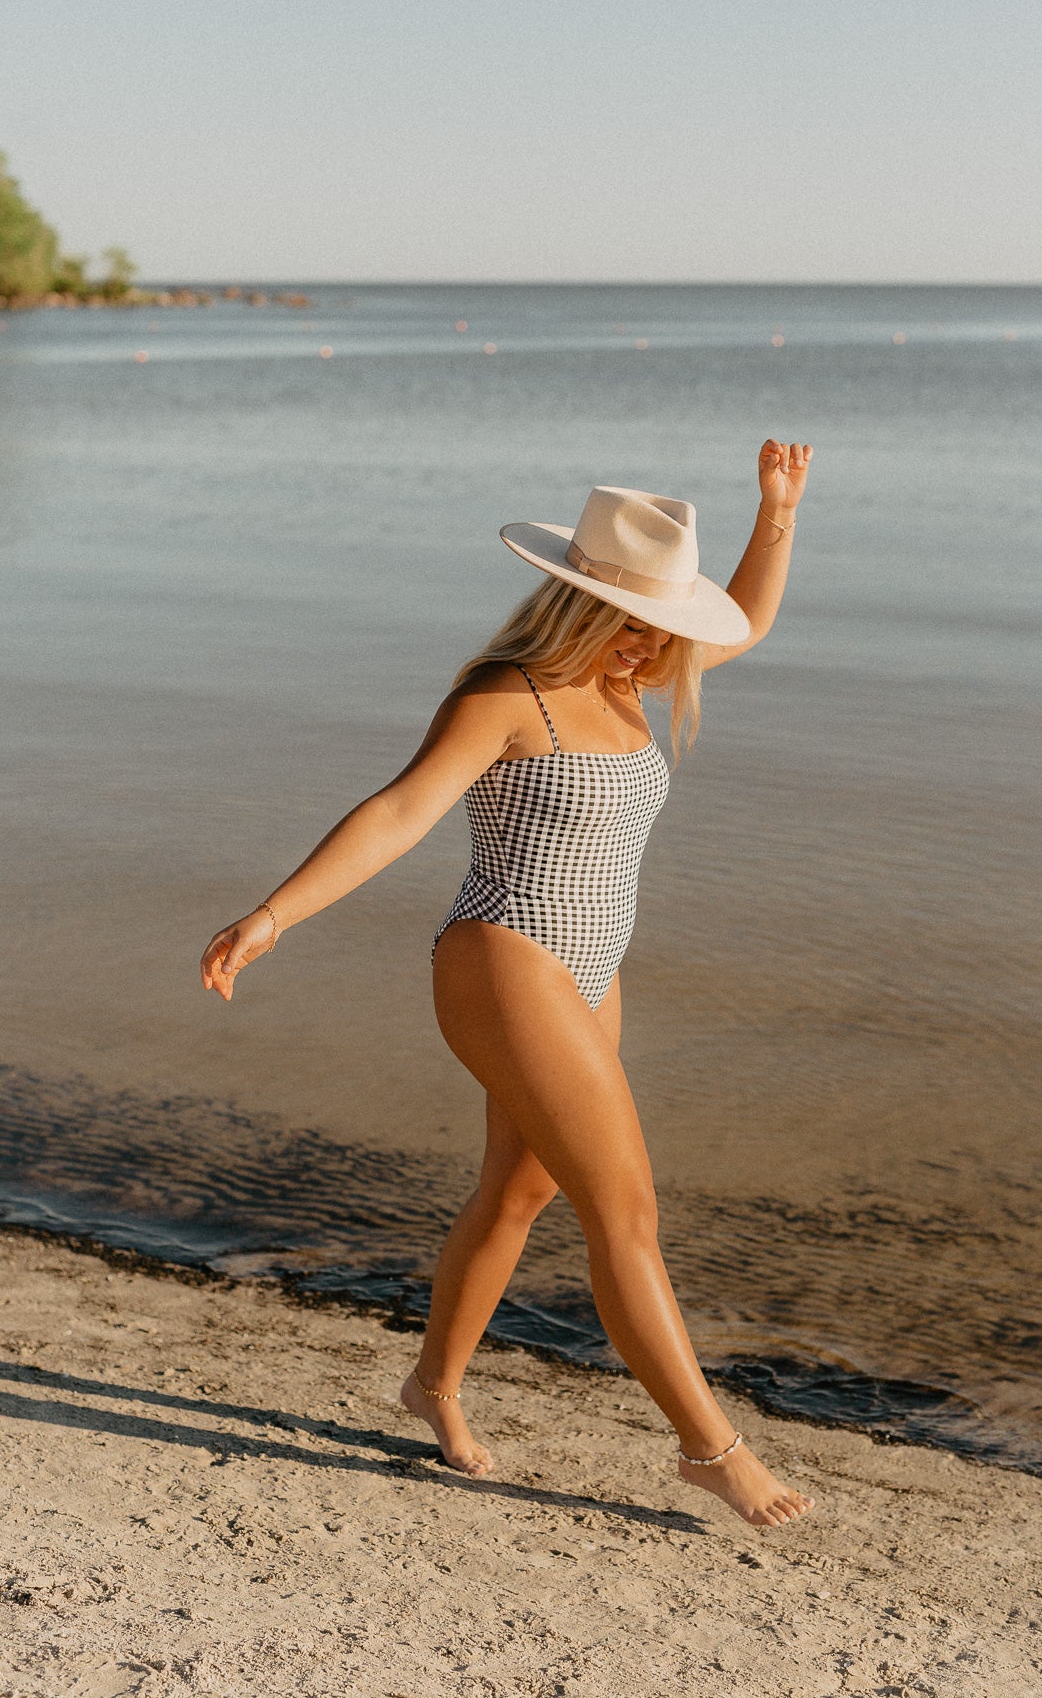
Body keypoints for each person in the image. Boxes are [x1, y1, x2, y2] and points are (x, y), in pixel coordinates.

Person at [201, 439, 815, 1529]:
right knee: (623, 1209)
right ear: (582, 606)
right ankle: (711, 1448)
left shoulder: (637, 673)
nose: (661, 645)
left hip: (592, 965)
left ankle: (431, 1385)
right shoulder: (508, 694)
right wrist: (273, 915)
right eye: (641, 622)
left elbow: (751, 625)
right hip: (506, 954)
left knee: (519, 1192)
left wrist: (775, 514)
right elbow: (398, 813)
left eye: (669, 627)